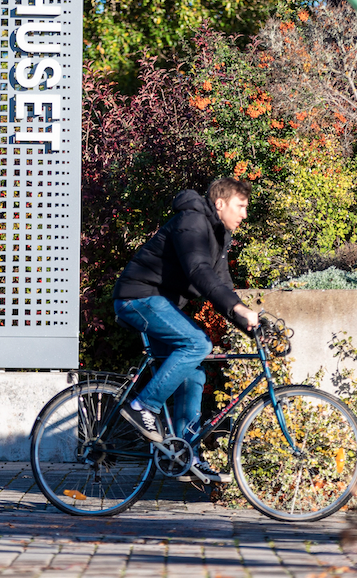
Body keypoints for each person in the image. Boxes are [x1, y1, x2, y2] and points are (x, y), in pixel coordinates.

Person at [111, 177, 259, 484]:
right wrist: (239, 309)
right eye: (240, 206)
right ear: (220, 203)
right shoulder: (192, 221)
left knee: (194, 373)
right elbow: (198, 271)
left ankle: (184, 455)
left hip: (159, 303)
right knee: (197, 344)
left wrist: (248, 323)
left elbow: (221, 287)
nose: (244, 214)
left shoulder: (219, 234)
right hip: (138, 298)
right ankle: (143, 406)